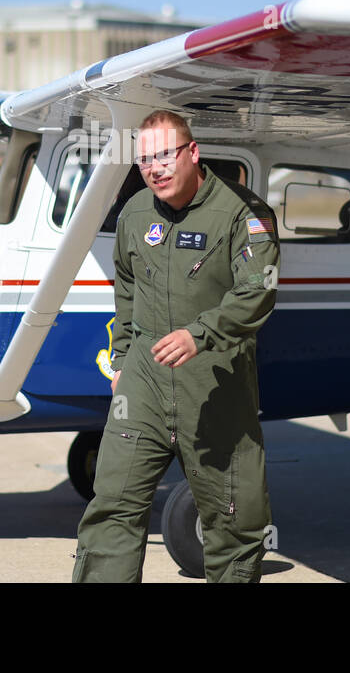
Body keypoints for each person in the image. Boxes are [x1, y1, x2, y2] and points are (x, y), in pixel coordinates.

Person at [71, 109, 280, 583]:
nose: (155, 168)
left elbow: (257, 291)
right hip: (143, 383)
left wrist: (199, 334)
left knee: (232, 520)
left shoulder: (243, 214)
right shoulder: (135, 213)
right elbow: (125, 289)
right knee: (112, 506)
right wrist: (123, 358)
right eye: (145, 159)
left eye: (165, 155)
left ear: (192, 153)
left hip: (214, 382)